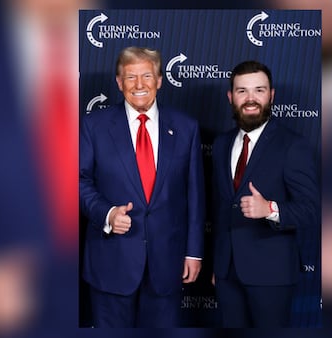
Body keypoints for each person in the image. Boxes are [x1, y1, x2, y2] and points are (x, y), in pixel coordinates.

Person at [79, 46, 205, 327]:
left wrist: (193, 252)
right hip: (111, 262)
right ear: (119, 82)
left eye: (147, 76)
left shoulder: (186, 127)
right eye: (130, 77)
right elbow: (79, 180)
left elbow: (195, 195)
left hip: (167, 264)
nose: (139, 85)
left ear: (160, 80)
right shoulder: (93, 126)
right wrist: (108, 213)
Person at [211, 60, 319, 327]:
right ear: (230, 97)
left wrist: (270, 209)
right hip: (227, 273)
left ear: (271, 95)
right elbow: (221, 207)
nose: (250, 99)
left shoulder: (292, 145)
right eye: (242, 91)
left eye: (259, 90)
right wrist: (219, 265)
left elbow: (311, 210)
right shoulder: (221, 143)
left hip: (272, 276)